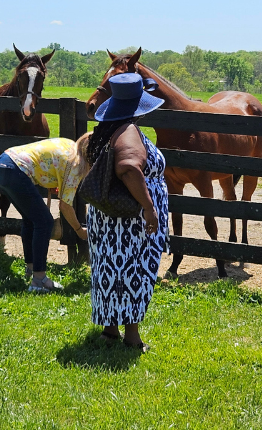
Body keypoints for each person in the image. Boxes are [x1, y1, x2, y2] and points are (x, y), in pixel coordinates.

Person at [86, 73, 169, 352]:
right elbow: (129, 167)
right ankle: (132, 338)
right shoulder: (129, 131)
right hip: (131, 221)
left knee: (110, 270)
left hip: (109, 218)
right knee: (134, 269)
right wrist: (149, 207)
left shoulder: (110, 129)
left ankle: (110, 331)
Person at [0, 135, 90, 293]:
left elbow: (47, 161)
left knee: (31, 219)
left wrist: (52, 182)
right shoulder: (77, 166)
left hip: (1, 164)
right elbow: (65, 206)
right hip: (16, 170)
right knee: (45, 222)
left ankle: (31, 271)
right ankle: (38, 280)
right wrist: (80, 231)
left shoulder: (69, 145)